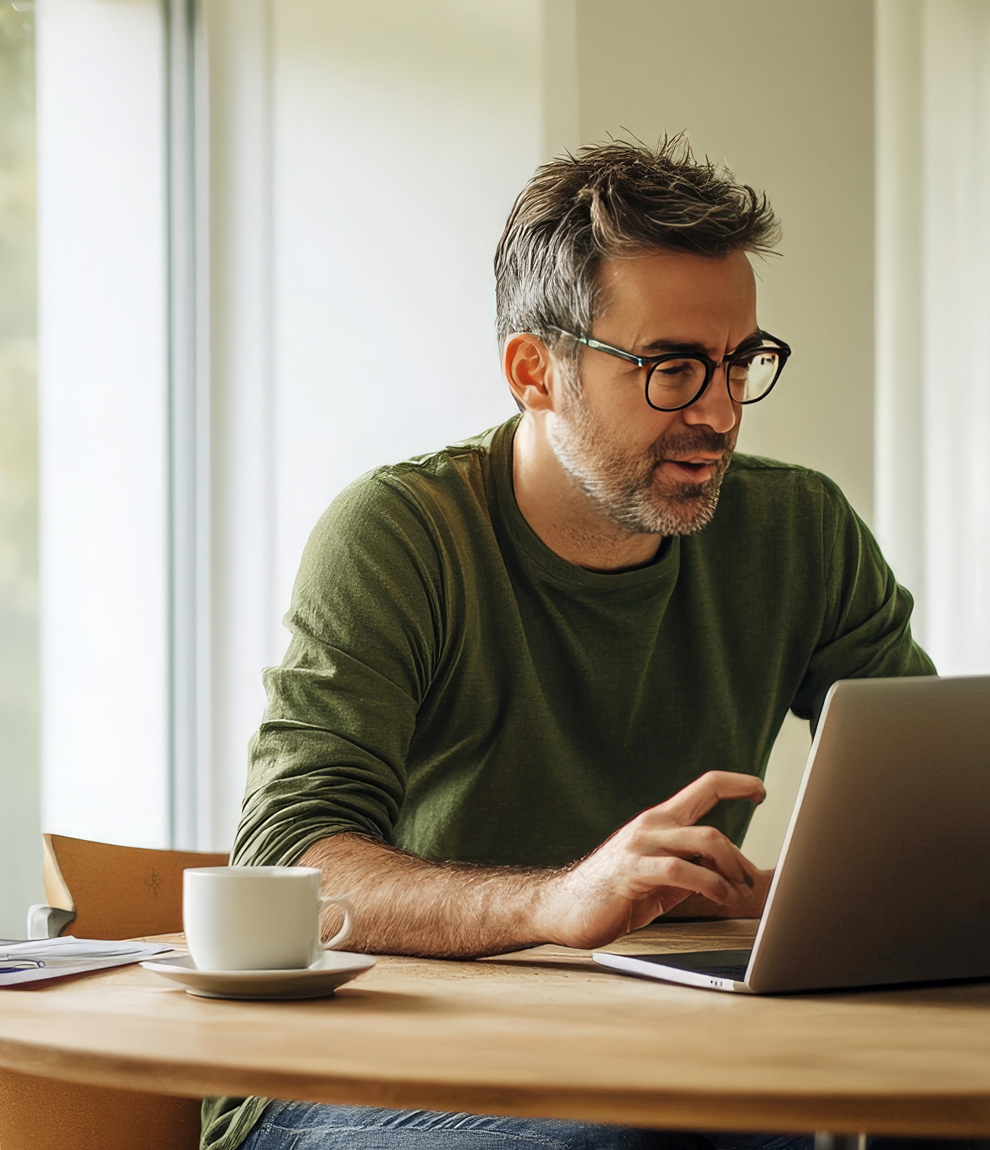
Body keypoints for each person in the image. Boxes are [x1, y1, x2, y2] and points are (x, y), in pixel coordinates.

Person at [202, 138, 933, 1150]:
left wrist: (809, 899)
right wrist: (559, 900)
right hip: (364, 1067)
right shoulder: (399, 534)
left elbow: (935, 812)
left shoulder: (799, 530)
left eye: (739, 362)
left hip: (668, 1051)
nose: (719, 413)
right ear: (532, 370)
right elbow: (290, 861)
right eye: (672, 368)